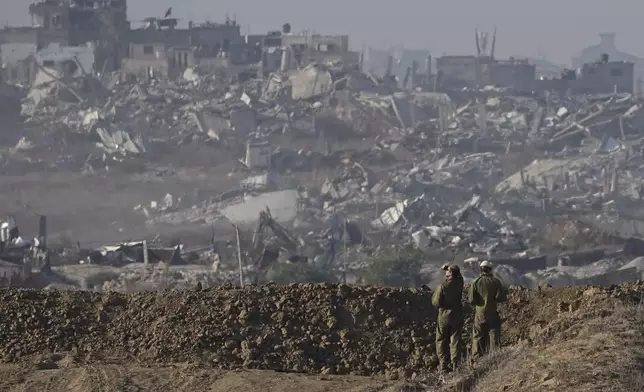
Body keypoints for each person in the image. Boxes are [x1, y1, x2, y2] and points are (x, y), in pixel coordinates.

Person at [468, 260, 507, 359]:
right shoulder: (496, 282)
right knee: (493, 332)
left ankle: (477, 358)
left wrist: (479, 302)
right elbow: (500, 297)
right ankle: (495, 356)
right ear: (490, 270)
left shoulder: (476, 282)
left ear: (481, 269)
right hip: (492, 311)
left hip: (480, 313)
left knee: (478, 335)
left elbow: (471, 299)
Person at [432, 263, 464, 372]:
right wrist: (449, 269)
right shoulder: (459, 282)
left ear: (450, 274)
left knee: (441, 340)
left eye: (448, 271)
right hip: (457, 315)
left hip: (444, 316)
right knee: (455, 339)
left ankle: (443, 365)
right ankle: (455, 364)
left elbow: (436, 302)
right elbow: (459, 275)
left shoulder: (442, 286)